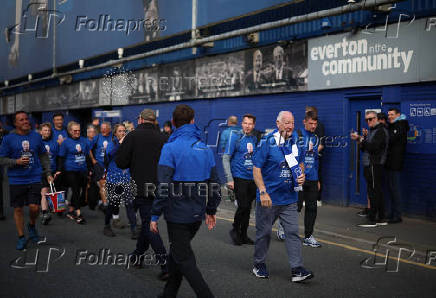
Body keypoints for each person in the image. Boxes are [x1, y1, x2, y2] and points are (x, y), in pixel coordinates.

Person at [150, 104, 220, 298]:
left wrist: (155, 214)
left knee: (184, 258)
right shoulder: (205, 149)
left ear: (173, 123)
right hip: (196, 214)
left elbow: (163, 185)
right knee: (177, 253)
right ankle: (168, 294)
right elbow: (215, 184)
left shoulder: (170, 148)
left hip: (176, 215)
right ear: (192, 122)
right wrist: (211, 210)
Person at [252, 111, 314, 282]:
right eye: (286, 122)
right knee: (263, 233)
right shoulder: (267, 142)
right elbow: (256, 169)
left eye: (292, 122)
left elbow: (300, 163)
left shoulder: (297, 142)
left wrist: (301, 175)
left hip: (289, 198)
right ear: (278, 123)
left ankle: (297, 269)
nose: (290, 126)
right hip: (268, 198)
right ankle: (258, 264)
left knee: (293, 233)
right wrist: (263, 191)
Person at [115, 109, 168, 280]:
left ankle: (166, 265)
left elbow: (121, 162)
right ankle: (137, 256)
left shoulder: (133, 136)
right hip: (160, 187)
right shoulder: (164, 138)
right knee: (147, 221)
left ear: (140, 120)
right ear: (154, 121)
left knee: (149, 225)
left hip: (140, 187)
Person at [0, 111, 53, 250]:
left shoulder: (36, 136)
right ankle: (21, 237)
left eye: (26, 119)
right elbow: (1, 159)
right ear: (15, 123)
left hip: (34, 176)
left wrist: (48, 172)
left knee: (34, 208)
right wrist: (16, 161)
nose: (25, 121)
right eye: (21, 120)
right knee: (18, 209)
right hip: (16, 179)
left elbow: (43, 155)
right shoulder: (8, 139)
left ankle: (31, 225)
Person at [223, 114, 258, 245]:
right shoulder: (235, 137)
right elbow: (225, 157)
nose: (247, 126)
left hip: (251, 178)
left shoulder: (254, 138)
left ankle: (243, 234)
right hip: (238, 177)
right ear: (242, 124)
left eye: (250, 124)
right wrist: (229, 178)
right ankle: (234, 230)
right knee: (243, 205)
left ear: (253, 125)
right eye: (245, 123)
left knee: (248, 208)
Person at [351, 111, 389, 227]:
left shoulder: (381, 131)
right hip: (370, 164)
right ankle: (381, 217)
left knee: (374, 191)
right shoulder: (373, 131)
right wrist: (362, 139)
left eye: (371, 119)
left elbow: (374, 148)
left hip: (374, 164)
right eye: (366, 120)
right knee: (376, 190)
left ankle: (373, 219)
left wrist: (361, 139)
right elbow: (365, 148)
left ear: (376, 118)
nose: (368, 121)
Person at [103, 124, 138, 239]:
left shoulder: (128, 145)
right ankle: (107, 226)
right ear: (115, 133)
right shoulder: (111, 144)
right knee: (113, 204)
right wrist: (119, 144)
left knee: (129, 204)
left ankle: (134, 229)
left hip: (126, 179)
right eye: (120, 131)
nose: (123, 133)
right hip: (113, 179)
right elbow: (109, 155)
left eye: (124, 131)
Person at [296, 111, 322, 247]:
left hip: (312, 178)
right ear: (304, 122)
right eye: (311, 123)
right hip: (299, 177)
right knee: (297, 206)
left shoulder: (316, 138)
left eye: (315, 124)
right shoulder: (297, 136)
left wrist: (317, 179)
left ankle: (308, 236)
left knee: (312, 207)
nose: (313, 126)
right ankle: (285, 226)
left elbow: (316, 159)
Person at [57, 121, 90, 224]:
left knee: (81, 190)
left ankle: (71, 210)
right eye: (75, 130)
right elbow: (61, 158)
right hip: (70, 170)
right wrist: (59, 171)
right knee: (75, 190)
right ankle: (78, 213)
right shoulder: (66, 142)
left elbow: (87, 156)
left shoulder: (84, 141)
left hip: (82, 170)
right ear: (70, 131)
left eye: (79, 130)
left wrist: (90, 169)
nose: (77, 132)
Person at [385, 108, 409, 224]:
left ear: (398, 115)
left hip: (395, 163)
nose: (390, 116)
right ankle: (391, 213)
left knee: (395, 189)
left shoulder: (400, 126)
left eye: (392, 114)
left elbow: (390, 139)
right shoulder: (392, 125)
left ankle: (397, 215)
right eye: (389, 114)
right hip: (390, 162)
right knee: (391, 189)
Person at [39, 123, 59, 225]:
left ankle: (49, 209)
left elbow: (58, 157)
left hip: (53, 170)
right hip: (41, 170)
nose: (47, 132)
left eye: (48, 130)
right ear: (40, 131)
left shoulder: (54, 143)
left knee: (49, 191)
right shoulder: (37, 143)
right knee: (44, 191)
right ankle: (45, 213)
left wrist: (58, 170)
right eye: (45, 130)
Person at [89, 122, 112, 212]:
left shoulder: (112, 137)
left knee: (106, 184)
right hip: (99, 165)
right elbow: (89, 149)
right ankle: (105, 204)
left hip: (110, 165)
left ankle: (102, 201)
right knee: (102, 183)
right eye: (102, 128)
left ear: (109, 129)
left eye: (106, 128)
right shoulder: (97, 137)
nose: (104, 129)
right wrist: (93, 160)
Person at [85, 124, 99, 210]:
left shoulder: (96, 141)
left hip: (96, 165)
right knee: (88, 183)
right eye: (90, 132)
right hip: (87, 164)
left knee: (95, 183)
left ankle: (95, 201)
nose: (92, 133)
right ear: (87, 133)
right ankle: (87, 200)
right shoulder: (85, 141)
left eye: (93, 132)